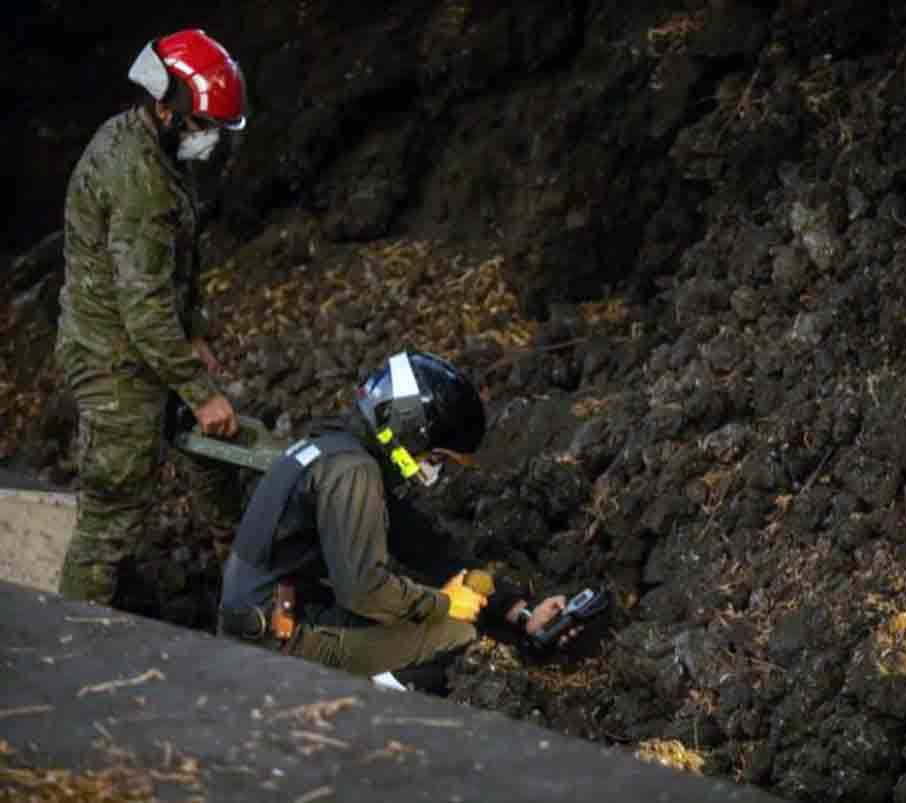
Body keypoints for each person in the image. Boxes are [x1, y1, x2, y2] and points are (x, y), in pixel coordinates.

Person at [218, 351, 575, 692]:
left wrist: (517, 611)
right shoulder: (353, 472)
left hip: (273, 618)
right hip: (276, 640)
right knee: (459, 640)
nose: (433, 469)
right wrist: (444, 603)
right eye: (436, 456)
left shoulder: (339, 447)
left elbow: (425, 547)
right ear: (412, 429)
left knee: (450, 619)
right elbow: (363, 590)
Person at [56, 30, 248, 604]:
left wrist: (193, 336)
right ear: (165, 107)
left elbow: (173, 270)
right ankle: (76, 640)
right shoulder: (138, 180)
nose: (209, 142)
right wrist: (199, 390)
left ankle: (135, 601)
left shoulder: (151, 148)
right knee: (109, 515)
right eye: (203, 127)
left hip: (136, 345)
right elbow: (142, 307)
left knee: (170, 485)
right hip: (115, 363)